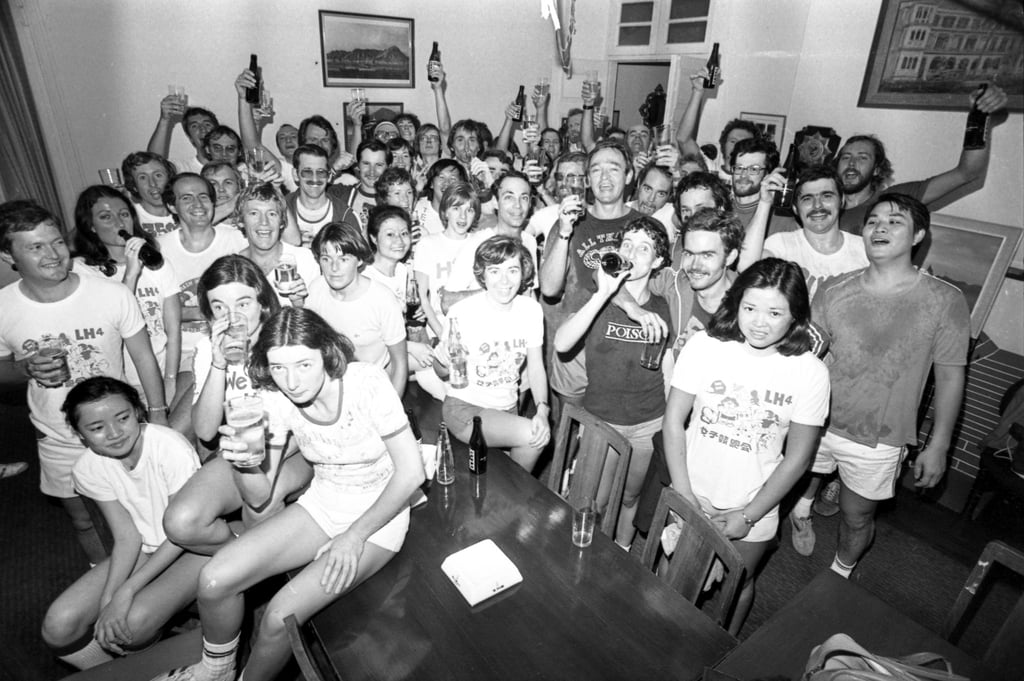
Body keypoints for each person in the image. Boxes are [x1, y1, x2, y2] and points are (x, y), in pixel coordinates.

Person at [152, 306, 424, 681]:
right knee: (214, 579)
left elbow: (411, 474)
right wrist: (245, 464)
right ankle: (215, 671)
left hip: (379, 519)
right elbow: (261, 498)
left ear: (326, 353)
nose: (291, 381)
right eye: (278, 368)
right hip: (323, 504)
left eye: (303, 365)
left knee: (280, 617)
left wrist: (353, 537)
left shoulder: (366, 383)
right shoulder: (277, 401)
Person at [662, 258, 830, 634]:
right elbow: (673, 422)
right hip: (692, 488)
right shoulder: (706, 345)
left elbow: (798, 458)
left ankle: (725, 647)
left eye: (774, 312)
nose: (759, 321)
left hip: (754, 502)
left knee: (737, 583)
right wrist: (685, 496)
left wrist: (749, 515)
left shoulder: (810, 372)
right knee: (673, 573)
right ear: (736, 303)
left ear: (795, 316)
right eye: (750, 308)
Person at [806, 193, 969, 579]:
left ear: (918, 236)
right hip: (815, 420)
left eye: (894, 221)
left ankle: (840, 572)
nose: (879, 227)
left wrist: (939, 445)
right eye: (872, 221)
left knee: (856, 515)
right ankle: (801, 511)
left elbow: (950, 376)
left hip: (879, 436)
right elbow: (807, 357)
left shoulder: (945, 300)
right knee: (799, 486)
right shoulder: (832, 289)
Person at [0, 201, 167, 565]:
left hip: (122, 428)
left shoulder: (110, 293)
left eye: (57, 242)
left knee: (147, 516)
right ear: (6, 255)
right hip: (58, 436)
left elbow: (143, 358)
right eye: (35, 247)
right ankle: (105, 580)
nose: (53, 255)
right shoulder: (3, 308)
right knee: (84, 520)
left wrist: (158, 417)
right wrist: (26, 368)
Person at [41, 377, 204, 670]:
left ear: (138, 413)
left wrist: (126, 591)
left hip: (193, 547)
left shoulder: (169, 447)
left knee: (131, 626)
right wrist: (109, 597)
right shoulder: (88, 467)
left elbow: (182, 534)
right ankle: (130, 670)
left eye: (123, 418)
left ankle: (158, 663)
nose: (114, 433)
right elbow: (127, 536)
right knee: (58, 626)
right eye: (97, 427)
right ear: (80, 434)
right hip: (146, 547)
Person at [162, 255, 310, 556]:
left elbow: (312, 417)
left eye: (243, 304)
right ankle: (241, 556)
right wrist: (218, 364)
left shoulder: (285, 340)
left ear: (262, 303)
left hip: (298, 447)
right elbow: (204, 431)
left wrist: (268, 461)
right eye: (220, 307)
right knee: (180, 522)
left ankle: (257, 567)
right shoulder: (207, 350)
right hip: (240, 451)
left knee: (262, 503)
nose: (232, 317)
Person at [554, 217, 673, 548]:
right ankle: (586, 556)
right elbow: (562, 345)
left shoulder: (664, 305)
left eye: (644, 247)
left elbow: (669, 366)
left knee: (631, 498)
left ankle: (621, 554)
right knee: (594, 501)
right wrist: (603, 294)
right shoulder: (597, 296)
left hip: (649, 420)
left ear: (658, 260)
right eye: (627, 244)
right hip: (602, 418)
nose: (633, 252)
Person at [540, 139, 641, 408]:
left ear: (629, 175)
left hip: (623, 342)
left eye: (614, 169)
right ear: (587, 179)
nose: (604, 178)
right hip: (577, 345)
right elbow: (549, 289)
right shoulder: (568, 222)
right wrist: (563, 231)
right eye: (596, 170)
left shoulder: (645, 226)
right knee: (569, 432)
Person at [72, 185, 183, 422]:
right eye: (105, 216)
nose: (118, 222)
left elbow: (172, 330)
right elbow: (108, 325)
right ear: (91, 227)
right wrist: (131, 274)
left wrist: (170, 379)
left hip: (164, 370)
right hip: (119, 382)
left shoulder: (157, 262)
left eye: (123, 214)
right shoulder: (83, 271)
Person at [438, 236, 550, 471]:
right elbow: (441, 371)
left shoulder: (531, 310)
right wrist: (444, 358)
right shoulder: (462, 312)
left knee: (534, 433)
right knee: (533, 435)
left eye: (512, 270)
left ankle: (511, 494)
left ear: (524, 273)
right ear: (482, 274)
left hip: (508, 407)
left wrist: (542, 409)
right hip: (465, 407)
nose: (504, 281)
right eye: (494, 271)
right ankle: (516, 496)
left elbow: (536, 367)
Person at [835, 85, 1007, 234]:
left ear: (877, 169)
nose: (851, 163)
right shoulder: (819, 202)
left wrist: (980, 117)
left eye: (862, 158)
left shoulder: (892, 201)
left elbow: (967, 172)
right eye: (846, 157)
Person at [157, 173, 249, 378]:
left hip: (234, 345)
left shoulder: (238, 240)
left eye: (204, 196)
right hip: (184, 353)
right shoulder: (158, 249)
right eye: (186, 198)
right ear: (172, 206)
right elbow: (154, 312)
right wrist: (206, 312)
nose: (197, 203)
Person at [306, 222, 408, 396]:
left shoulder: (382, 299)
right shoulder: (316, 289)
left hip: (371, 388)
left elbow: (400, 363)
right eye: (326, 259)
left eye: (343, 259)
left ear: (359, 260)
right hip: (327, 386)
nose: (334, 268)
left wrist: (392, 411)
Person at [363, 206, 434, 376]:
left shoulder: (404, 271)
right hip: (373, 358)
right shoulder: (365, 277)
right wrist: (412, 347)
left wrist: (417, 321)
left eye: (404, 233)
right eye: (390, 234)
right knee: (437, 362)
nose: (399, 241)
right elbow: (368, 338)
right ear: (373, 238)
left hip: (400, 347)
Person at [235, 182, 317, 307]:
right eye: (254, 213)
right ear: (241, 221)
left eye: (272, 214)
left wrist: (299, 303)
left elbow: (315, 320)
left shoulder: (304, 260)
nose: (264, 222)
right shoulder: (233, 266)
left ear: (282, 222)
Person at [285, 144, 360, 248]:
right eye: (307, 172)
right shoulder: (281, 209)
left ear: (329, 176)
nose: (315, 179)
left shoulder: (345, 216)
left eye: (321, 172)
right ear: (295, 174)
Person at [329, 139, 391, 231]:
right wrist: (334, 169)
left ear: (388, 167)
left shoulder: (398, 197)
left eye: (379, 165)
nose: (372, 171)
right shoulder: (341, 195)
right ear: (358, 166)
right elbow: (314, 193)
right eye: (366, 164)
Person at [148, 101, 218, 175]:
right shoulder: (182, 169)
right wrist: (164, 120)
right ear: (190, 138)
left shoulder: (230, 164)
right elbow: (154, 164)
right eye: (194, 126)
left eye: (207, 124)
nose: (202, 129)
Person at [122, 151, 178, 237]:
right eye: (143, 178)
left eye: (158, 175)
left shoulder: (186, 212)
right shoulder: (130, 218)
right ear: (134, 186)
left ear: (170, 179)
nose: (152, 183)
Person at [411, 158, 469, 238]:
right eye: (441, 177)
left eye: (453, 179)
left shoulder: (465, 216)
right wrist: (415, 191)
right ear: (431, 183)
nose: (447, 183)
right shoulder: (416, 206)